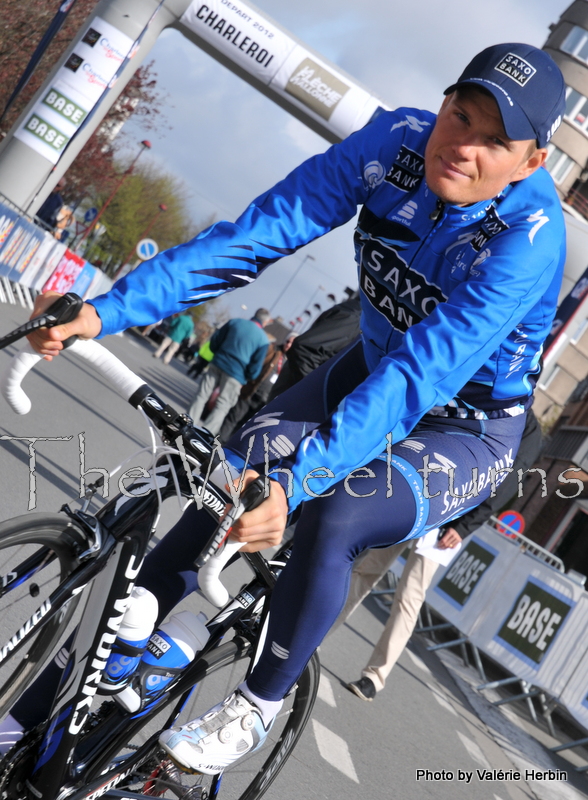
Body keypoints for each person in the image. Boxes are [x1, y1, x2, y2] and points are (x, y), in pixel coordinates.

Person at [27, 43, 565, 776]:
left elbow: (420, 377)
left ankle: (258, 700)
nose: (463, 145)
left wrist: (301, 482)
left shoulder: (529, 242)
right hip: (366, 369)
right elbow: (257, 234)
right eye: (460, 113)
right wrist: (105, 310)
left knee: (337, 513)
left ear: (532, 163)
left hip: (462, 428)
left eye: (494, 140)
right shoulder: (395, 142)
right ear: (442, 103)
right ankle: (45, 713)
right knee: (227, 483)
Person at [340, 409, 542, 701]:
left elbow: (508, 482)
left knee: (410, 594)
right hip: (416, 491)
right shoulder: (483, 393)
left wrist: (464, 526)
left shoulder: (527, 429)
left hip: (452, 516)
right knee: (368, 567)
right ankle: (318, 632)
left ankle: (374, 676)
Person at [188, 310, 271, 435]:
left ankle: (187, 423)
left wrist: (218, 353)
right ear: (265, 322)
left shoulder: (235, 322)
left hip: (218, 363)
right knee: (222, 405)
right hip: (237, 374)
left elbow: (215, 340)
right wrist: (248, 376)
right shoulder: (263, 340)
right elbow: (255, 366)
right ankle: (205, 434)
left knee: (201, 395)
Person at [268, 295, 361, 401]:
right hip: (293, 401)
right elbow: (305, 350)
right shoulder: (356, 317)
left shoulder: (357, 316)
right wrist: (316, 398)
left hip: (292, 397)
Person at [218, 333, 297, 441]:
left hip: (263, 400)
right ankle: (218, 442)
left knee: (245, 425)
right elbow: (256, 363)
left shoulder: (292, 363)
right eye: (288, 342)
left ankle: (227, 446)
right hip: (252, 390)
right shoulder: (273, 350)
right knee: (233, 417)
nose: (288, 345)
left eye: (292, 343)